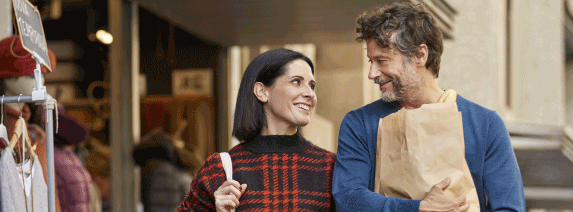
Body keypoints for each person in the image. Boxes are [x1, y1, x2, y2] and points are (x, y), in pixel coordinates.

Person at [332, 2, 525, 212]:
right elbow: (347, 198)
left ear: (419, 55)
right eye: (371, 61)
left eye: (382, 60)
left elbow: (509, 207)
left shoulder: (485, 124)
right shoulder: (360, 123)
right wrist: (419, 208)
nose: (372, 73)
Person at [177, 49, 336, 211]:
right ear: (262, 92)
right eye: (296, 81)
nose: (310, 94)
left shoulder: (331, 167)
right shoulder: (220, 170)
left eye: (312, 85)